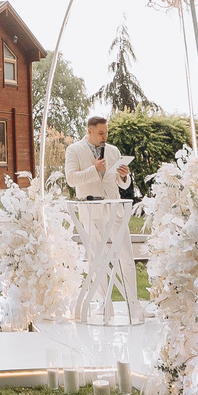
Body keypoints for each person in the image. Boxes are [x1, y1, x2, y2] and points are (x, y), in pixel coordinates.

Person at [63, 104, 137, 324]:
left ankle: (133, 304)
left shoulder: (113, 151)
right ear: (90, 131)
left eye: (107, 132)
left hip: (115, 207)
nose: (105, 136)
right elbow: (71, 179)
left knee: (126, 254)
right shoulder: (74, 150)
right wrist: (94, 170)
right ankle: (105, 305)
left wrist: (125, 176)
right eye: (101, 133)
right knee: (97, 257)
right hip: (91, 209)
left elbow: (123, 184)